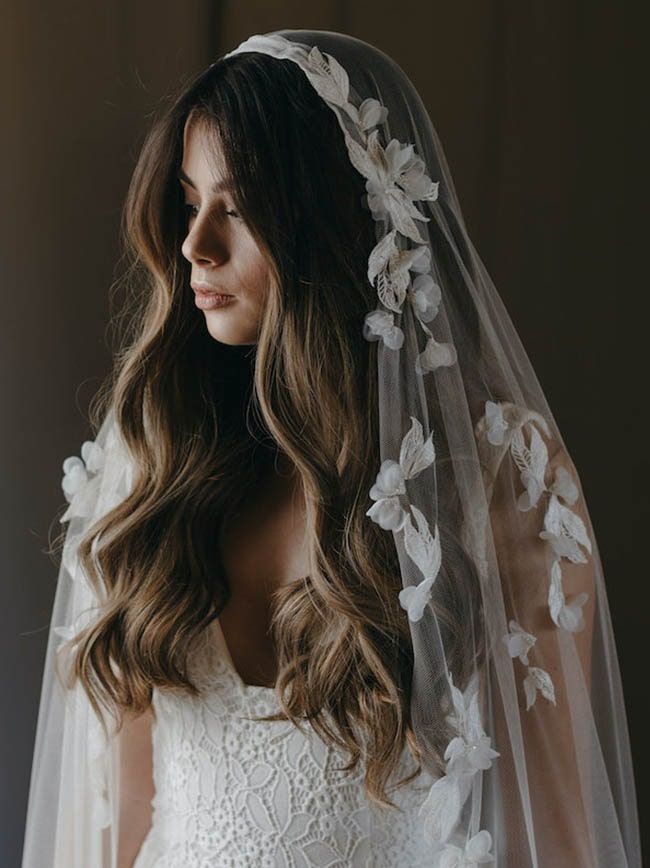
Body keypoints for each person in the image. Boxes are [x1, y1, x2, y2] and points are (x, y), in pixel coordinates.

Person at [21, 29, 641, 868]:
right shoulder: (159, 459)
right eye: (189, 199)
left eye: (236, 208)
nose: (195, 245)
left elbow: (559, 835)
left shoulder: (498, 486)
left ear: (330, 221)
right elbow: (130, 825)